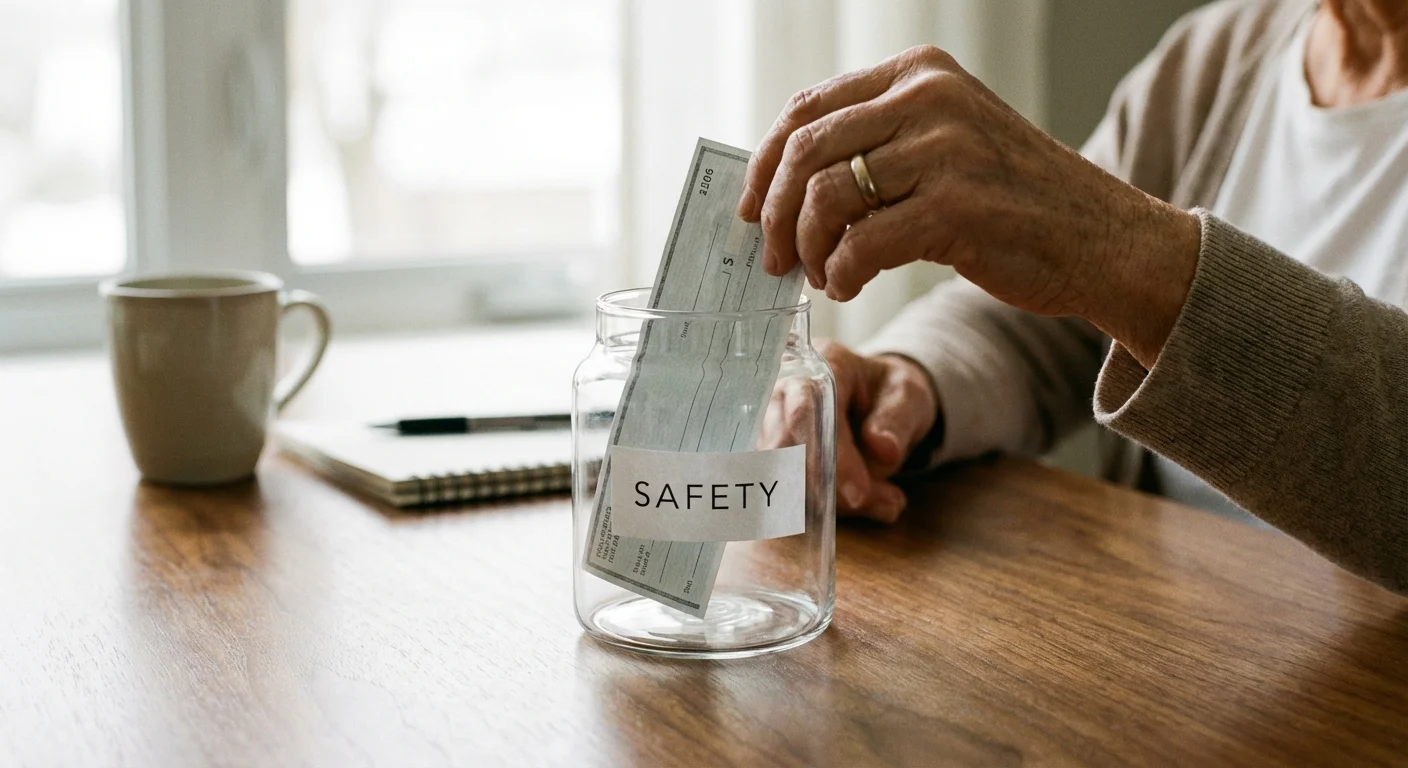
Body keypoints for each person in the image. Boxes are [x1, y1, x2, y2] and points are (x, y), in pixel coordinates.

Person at [741, 0, 1408, 594]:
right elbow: (1052, 319)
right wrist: (911, 377)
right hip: (1188, 665)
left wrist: (1119, 249)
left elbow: (1099, 258)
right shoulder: (1219, 55)